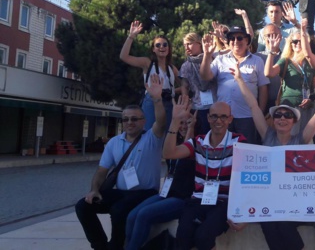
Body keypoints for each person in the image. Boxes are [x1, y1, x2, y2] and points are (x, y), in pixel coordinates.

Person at [234, 58, 315, 250]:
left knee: (286, 230)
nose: (282, 118)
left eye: (287, 115)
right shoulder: (266, 134)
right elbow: (253, 106)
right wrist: (239, 80)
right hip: (269, 199)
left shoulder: (300, 140)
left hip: (295, 202)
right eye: (278, 115)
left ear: (294, 121)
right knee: (269, 225)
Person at [75, 75, 167, 250]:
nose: (129, 122)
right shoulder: (114, 142)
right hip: (121, 192)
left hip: (146, 192)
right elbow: (102, 171)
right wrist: (94, 190)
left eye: (134, 119)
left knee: (119, 210)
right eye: (126, 119)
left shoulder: (151, 138)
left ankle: (117, 246)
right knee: (83, 206)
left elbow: (161, 122)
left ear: (143, 121)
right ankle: (100, 246)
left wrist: (157, 99)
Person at [162, 100, 247, 250]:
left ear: (230, 119)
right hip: (198, 200)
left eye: (223, 117)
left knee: (203, 236)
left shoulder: (239, 141)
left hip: (223, 202)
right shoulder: (198, 141)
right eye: (214, 116)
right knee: (182, 238)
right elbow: (169, 153)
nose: (218, 121)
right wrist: (175, 121)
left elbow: (250, 179)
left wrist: (245, 213)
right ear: (208, 118)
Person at [124, 111, 196, 250]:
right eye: (180, 123)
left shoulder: (197, 144)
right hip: (168, 192)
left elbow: (185, 154)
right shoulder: (173, 142)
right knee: (132, 215)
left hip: (184, 197)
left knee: (144, 215)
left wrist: (191, 128)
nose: (183, 126)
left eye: (187, 123)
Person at [200, 26, 270, 144]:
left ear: (247, 41)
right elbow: (205, 76)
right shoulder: (220, 59)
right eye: (232, 38)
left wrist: (260, 112)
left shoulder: (257, 61)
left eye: (239, 38)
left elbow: (263, 87)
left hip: (247, 116)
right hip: (222, 118)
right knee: (224, 151)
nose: (236, 41)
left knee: (247, 151)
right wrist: (207, 55)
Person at [120, 21, 178, 130]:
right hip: (152, 101)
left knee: (167, 135)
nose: (162, 47)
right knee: (149, 133)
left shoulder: (172, 68)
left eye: (165, 44)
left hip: (168, 102)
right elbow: (124, 56)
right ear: (153, 49)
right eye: (158, 45)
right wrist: (131, 36)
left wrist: (178, 92)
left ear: (169, 48)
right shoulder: (147, 63)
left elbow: (183, 84)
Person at [264, 27, 315, 131]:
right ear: (290, 44)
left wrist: (311, 99)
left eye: (301, 41)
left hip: (306, 108)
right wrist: (271, 52)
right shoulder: (285, 61)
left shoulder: (311, 62)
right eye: (295, 41)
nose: (298, 43)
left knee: (304, 141)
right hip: (288, 107)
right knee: (288, 138)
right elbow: (268, 73)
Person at [180, 32, 216, 135]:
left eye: (189, 43)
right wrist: (185, 107)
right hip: (197, 108)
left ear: (199, 43)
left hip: (215, 105)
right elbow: (184, 87)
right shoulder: (186, 65)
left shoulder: (212, 59)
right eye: (184, 45)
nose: (187, 47)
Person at [256, 23, 283, 109]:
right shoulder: (256, 58)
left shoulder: (287, 57)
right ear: (263, 38)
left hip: (282, 103)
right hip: (260, 104)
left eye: (275, 35)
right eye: (268, 35)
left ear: (281, 37)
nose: (272, 38)